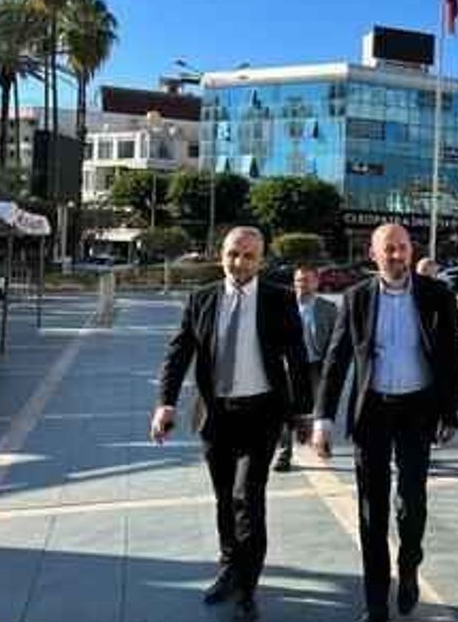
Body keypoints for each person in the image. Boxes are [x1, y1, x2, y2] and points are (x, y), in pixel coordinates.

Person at [151, 226, 310, 622]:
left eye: (249, 256)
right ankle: (229, 566)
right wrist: (165, 404)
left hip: (262, 414)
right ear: (221, 254)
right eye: (233, 254)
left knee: (247, 497)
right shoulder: (202, 298)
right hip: (215, 415)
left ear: (261, 260)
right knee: (225, 496)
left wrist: (303, 412)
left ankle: (248, 588)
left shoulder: (278, 298)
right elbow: (179, 352)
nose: (239, 263)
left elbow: (296, 355)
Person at [311, 224, 458, 622]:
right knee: (371, 511)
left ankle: (409, 564)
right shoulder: (357, 298)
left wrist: (451, 410)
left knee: (411, 504)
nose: (396, 256)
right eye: (388, 249)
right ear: (373, 254)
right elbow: (336, 360)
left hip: (418, 410)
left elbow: (451, 355)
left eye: (402, 248)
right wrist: (323, 418)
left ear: (411, 251)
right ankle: (376, 602)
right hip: (373, 412)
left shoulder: (436, 295)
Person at [273, 265, 338, 472]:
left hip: (317, 364)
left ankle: (321, 442)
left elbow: (336, 340)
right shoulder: (283, 306)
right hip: (290, 365)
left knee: (321, 407)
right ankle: (285, 453)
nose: (302, 284)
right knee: (285, 409)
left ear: (316, 283)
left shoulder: (328, 308)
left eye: (307, 280)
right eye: (299, 280)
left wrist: (332, 365)